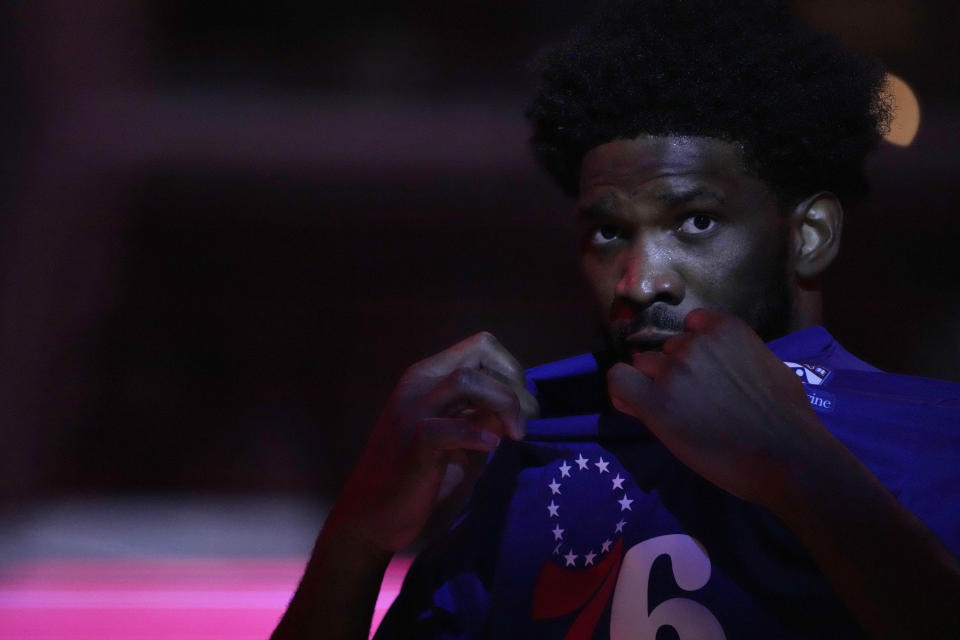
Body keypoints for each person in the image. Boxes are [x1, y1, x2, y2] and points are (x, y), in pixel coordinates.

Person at [273, 1, 960, 637]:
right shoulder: (530, 451)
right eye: (608, 234)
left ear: (809, 235)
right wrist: (360, 531)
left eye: (695, 221)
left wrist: (796, 462)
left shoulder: (939, 437)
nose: (640, 281)